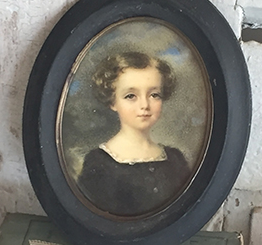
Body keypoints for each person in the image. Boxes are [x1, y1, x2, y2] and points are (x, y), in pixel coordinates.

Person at [77, 52, 191, 217]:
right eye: (131, 96)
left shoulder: (175, 158)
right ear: (113, 102)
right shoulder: (99, 163)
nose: (145, 105)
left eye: (154, 95)